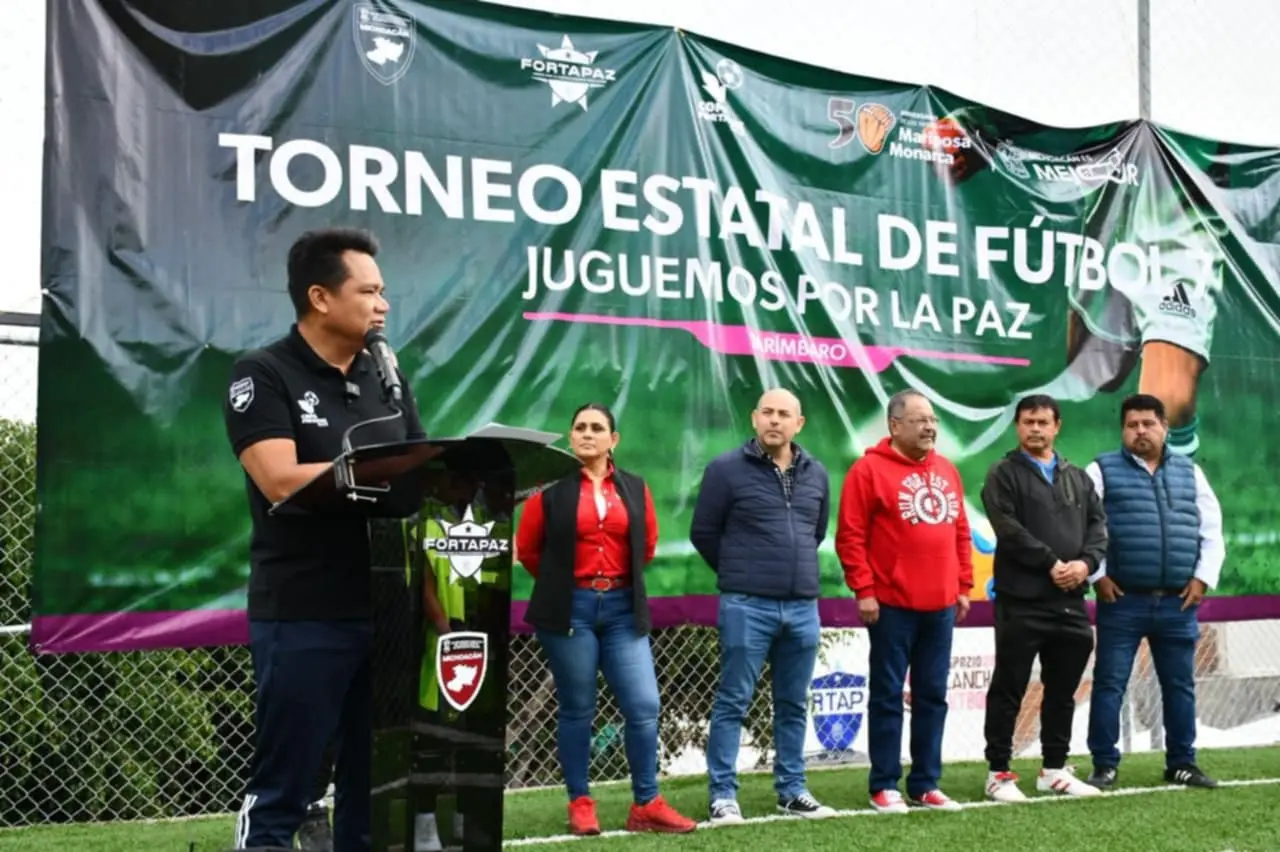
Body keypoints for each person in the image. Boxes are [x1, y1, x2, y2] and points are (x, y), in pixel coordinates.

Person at [224, 227, 426, 851]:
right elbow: (278, 476)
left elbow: (416, 475)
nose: (383, 305)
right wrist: (375, 472)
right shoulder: (264, 373)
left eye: (383, 291)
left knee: (373, 789)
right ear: (320, 296)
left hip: (385, 611)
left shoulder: (385, 376)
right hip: (304, 612)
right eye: (369, 291)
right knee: (288, 784)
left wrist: (484, 477)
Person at [515, 403, 697, 836]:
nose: (587, 435)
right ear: (571, 435)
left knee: (643, 705)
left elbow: (647, 545)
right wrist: (566, 585)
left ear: (614, 440)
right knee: (578, 708)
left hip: (621, 609)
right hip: (569, 609)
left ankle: (646, 804)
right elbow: (529, 550)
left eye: (598, 428)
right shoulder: (549, 489)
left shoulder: (635, 487)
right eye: (580, 428)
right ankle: (580, 802)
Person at [690, 388, 837, 824]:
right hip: (746, 604)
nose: (775, 420)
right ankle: (722, 796)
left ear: (799, 423)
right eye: (768, 413)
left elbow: (816, 532)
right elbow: (704, 533)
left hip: (802, 608)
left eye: (784, 414)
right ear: (755, 419)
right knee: (733, 699)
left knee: (793, 702)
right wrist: (742, 569)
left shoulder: (818, 473)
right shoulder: (725, 470)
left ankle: (792, 790)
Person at [834, 389, 971, 814]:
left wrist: (963, 585)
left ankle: (926, 783)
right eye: (920, 420)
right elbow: (850, 536)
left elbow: (960, 529)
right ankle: (884, 784)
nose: (930, 427)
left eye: (933, 420)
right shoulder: (868, 471)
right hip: (890, 605)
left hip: (941, 606)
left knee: (932, 695)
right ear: (895, 425)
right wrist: (864, 590)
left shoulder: (947, 469)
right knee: (888, 695)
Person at [1083, 393, 1224, 790]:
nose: (1140, 431)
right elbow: (1084, 526)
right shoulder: (1101, 470)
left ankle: (1182, 763)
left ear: (1165, 427)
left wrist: (1202, 578)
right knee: (1110, 682)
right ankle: (1104, 764)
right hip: (1122, 601)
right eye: (1132, 425)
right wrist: (1099, 575)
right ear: (1123, 431)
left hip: (1177, 603)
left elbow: (1212, 530)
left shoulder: (1190, 473)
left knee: (1179, 685)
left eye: (1148, 424)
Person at [978, 394, 1107, 802]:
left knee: (1063, 689)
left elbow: (1098, 527)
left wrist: (1085, 565)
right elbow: (1008, 528)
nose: (1035, 429)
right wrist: (1051, 563)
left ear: (1057, 427)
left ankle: (1053, 769)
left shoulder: (1078, 478)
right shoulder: (1003, 474)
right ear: (1017, 427)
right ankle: (998, 772)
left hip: (1070, 601)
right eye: (1028, 421)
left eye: (1043, 422)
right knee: (1009, 688)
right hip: (1022, 600)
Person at [406, 473, 511, 851]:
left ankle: (469, 820)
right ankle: (424, 822)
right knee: (433, 738)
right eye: (459, 483)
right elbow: (426, 586)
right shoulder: (427, 526)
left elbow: (497, 583)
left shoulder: (496, 527)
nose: (467, 491)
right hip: (442, 647)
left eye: (472, 484)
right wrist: (445, 629)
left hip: (485, 645)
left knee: (477, 739)